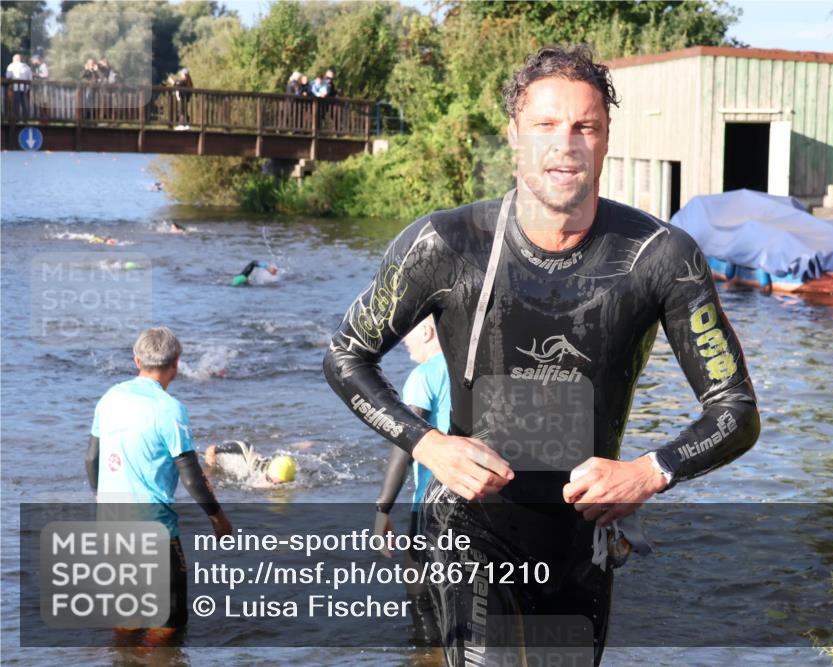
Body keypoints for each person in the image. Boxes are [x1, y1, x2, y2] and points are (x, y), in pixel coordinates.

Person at [324, 45, 759, 666]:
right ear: (514, 136)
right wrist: (429, 445)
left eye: (586, 126)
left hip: (582, 540)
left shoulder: (661, 256)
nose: (567, 144)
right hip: (472, 531)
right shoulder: (444, 244)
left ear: (606, 139)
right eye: (546, 125)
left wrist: (649, 471)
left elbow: (736, 411)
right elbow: (346, 356)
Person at [86, 327, 232, 637]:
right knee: (169, 622)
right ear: (175, 365)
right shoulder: (170, 410)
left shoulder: (110, 396)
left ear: (137, 360)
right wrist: (218, 519)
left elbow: (91, 459)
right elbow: (191, 476)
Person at [374, 316, 450, 644]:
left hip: (436, 505)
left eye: (408, 331)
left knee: (422, 594)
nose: (403, 340)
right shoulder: (477, 370)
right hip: (487, 503)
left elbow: (404, 445)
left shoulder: (425, 375)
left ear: (427, 330)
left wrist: (382, 510)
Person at [204, 441, 296, 485]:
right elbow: (244, 446)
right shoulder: (254, 469)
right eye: (269, 480)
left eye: (279, 484)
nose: (272, 486)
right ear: (266, 473)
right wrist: (213, 451)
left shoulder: (290, 475)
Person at [6, 54, 32, 119]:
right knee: (24, 103)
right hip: (25, 88)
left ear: (15, 59)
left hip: (15, 88)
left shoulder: (11, 66)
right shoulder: (26, 66)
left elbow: (8, 76)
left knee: (16, 103)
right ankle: (25, 118)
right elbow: (30, 78)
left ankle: (17, 118)